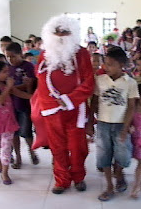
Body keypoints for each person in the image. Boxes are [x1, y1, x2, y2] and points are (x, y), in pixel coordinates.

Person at [35, 15, 94, 194]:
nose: (60, 35)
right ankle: (62, 180)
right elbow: (41, 81)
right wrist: (54, 101)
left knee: (78, 147)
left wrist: (69, 100)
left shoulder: (81, 53)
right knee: (57, 147)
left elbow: (89, 82)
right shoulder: (44, 55)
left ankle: (78, 177)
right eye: (57, 32)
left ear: (72, 33)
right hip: (52, 109)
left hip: (76, 109)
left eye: (65, 32)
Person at [87, 47, 138, 201]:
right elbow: (94, 103)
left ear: (121, 65)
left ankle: (119, 172)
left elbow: (131, 106)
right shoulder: (100, 80)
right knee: (104, 154)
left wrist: (126, 127)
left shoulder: (130, 82)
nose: (105, 67)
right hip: (103, 124)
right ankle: (109, 185)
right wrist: (90, 122)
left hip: (121, 124)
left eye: (110, 64)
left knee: (123, 154)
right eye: (105, 64)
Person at [0, 60, 32, 185]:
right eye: (4, 72)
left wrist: (36, 96)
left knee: (7, 148)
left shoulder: (6, 84)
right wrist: (9, 87)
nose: (8, 74)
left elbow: (20, 93)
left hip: (8, 122)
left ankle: (5, 173)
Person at [5, 42, 39, 169]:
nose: (10, 59)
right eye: (7, 57)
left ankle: (32, 152)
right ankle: (18, 157)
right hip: (10, 105)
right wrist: (10, 89)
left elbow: (30, 83)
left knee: (26, 132)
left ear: (20, 54)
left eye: (13, 56)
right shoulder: (7, 68)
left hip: (24, 104)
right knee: (14, 133)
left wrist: (11, 88)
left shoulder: (28, 66)